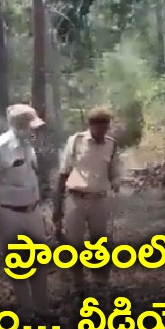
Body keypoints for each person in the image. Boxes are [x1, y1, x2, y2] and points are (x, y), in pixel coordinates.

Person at [0, 104, 51, 321]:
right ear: (19, 126)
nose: (34, 131)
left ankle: (43, 311)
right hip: (9, 213)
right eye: (31, 127)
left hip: (33, 211)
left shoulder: (29, 146)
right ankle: (26, 312)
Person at [53, 106, 122, 298]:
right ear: (90, 125)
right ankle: (78, 282)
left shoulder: (111, 145)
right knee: (74, 242)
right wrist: (57, 207)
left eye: (105, 127)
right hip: (76, 198)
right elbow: (63, 173)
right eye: (99, 127)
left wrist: (116, 182)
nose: (102, 131)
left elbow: (114, 170)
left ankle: (100, 281)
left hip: (99, 199)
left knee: (99, 242)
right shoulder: (76, 141)